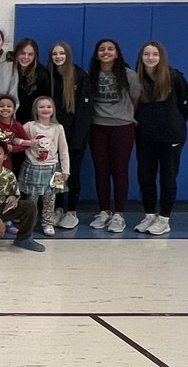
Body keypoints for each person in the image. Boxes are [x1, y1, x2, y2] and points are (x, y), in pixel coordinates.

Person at [134, 41, 188, 236]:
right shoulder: (138, 80)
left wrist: (173, 123)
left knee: (168, 177)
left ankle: (164, 218)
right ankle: (149, 215)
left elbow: (187, 105)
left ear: (161, 57)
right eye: (146, 54)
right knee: (145, 177)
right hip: (145, 137)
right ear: (141, 57)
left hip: (171, 137)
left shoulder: (174, 77)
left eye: (155, 54)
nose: (150, 58)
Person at [88, 38, 141, 233]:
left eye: (110, 49)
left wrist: (123, 116)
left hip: (122, 128)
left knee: (120, 171)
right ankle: (104, 211)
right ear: (97, 54)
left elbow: (136, 99)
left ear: (117, 53)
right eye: (101, 49)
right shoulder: (90, 75)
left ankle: (119, 214)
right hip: (97, 127)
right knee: (101, 170)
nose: (106, 52)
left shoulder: (129, 75)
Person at [46, 41, 91, 230]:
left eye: (61, 53)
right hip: (54, 137)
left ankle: (71, 211)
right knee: (57, 174)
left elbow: (85, 111)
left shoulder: (79, 76)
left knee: (72, 174)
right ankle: (58, 208)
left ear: (68, 55)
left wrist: (78, 139)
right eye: (55, 54)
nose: (58, 57)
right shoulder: (49, 76)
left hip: (74, 137)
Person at [19, 96, 70, 237]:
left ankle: (48, 222)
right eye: (41, 107)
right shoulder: (29, 126)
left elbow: (63, 150)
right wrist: (27, 142)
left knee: (50, 198)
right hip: (33, 167)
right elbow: (16, 139)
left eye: (48, 107)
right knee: (31, 199)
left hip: (55, 168)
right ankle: (29, 223)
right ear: (36, 110)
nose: (45, 109)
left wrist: (66, 170)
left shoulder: (58, 128)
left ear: (53, 110)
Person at [0, 94, 32, 171]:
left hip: (5, 160)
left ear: (14, 110)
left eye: (9, 106)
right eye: (1, 106)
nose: (5, 108)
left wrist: (13, 148)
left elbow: (27, 144)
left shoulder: (17, 126)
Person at [13, 38, 50, 124]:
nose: (26, 57)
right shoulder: (9, 70)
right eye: (22, 53)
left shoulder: (42, 75)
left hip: (33, 122)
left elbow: (44, 101)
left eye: (30, 54)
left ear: (35, 56)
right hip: (10, 119)